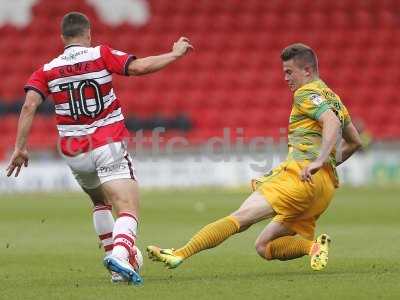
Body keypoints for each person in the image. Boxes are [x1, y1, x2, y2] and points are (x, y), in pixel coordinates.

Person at [6, 11, 193, 285]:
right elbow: (139, 67)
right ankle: (120, 255)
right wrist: (174, 54)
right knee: (127, 206)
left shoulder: (46, 70)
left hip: (73, 150)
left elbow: (29, 105)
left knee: (99, 202)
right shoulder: (100, 54)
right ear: (88, 33)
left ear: (62, 38)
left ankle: (116, 268)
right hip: (107, 142)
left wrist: (20, 147)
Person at [147, 43, 362, 271]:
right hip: (324, 187)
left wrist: (318, 160)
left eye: (289, 72)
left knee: (240, 218)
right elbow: (355, 141)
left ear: (307, 71)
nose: (286, 78)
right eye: (284, 73)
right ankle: (313, 248)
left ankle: (179, 253)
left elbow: (331, 121)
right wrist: (325, 164)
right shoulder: (333, 97)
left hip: (300, 179)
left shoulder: (305, 92)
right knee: (264, 245)